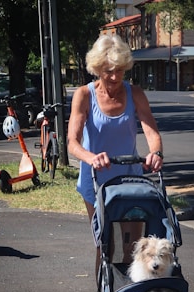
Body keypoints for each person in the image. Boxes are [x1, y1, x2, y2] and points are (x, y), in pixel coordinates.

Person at [67, 34, 164, 267]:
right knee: (104, 246)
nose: (114, 76)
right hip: (95, 181)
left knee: (133, 247)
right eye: (108, 70)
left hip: (129, 180)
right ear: (97, 67)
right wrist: (91, 157)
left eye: (119, 70)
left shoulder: (135, 94)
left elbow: (152, 132)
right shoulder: (84, 95)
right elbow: (72, 142)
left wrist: (156, 153)